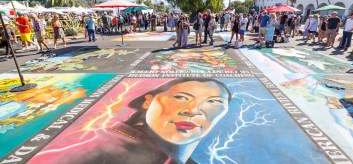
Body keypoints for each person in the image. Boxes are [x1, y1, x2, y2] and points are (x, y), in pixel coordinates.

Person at [31, 78, 231, 164]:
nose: (193, 110)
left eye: (214, 102)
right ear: (148, 101)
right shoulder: (102, 147)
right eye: (181, 97)